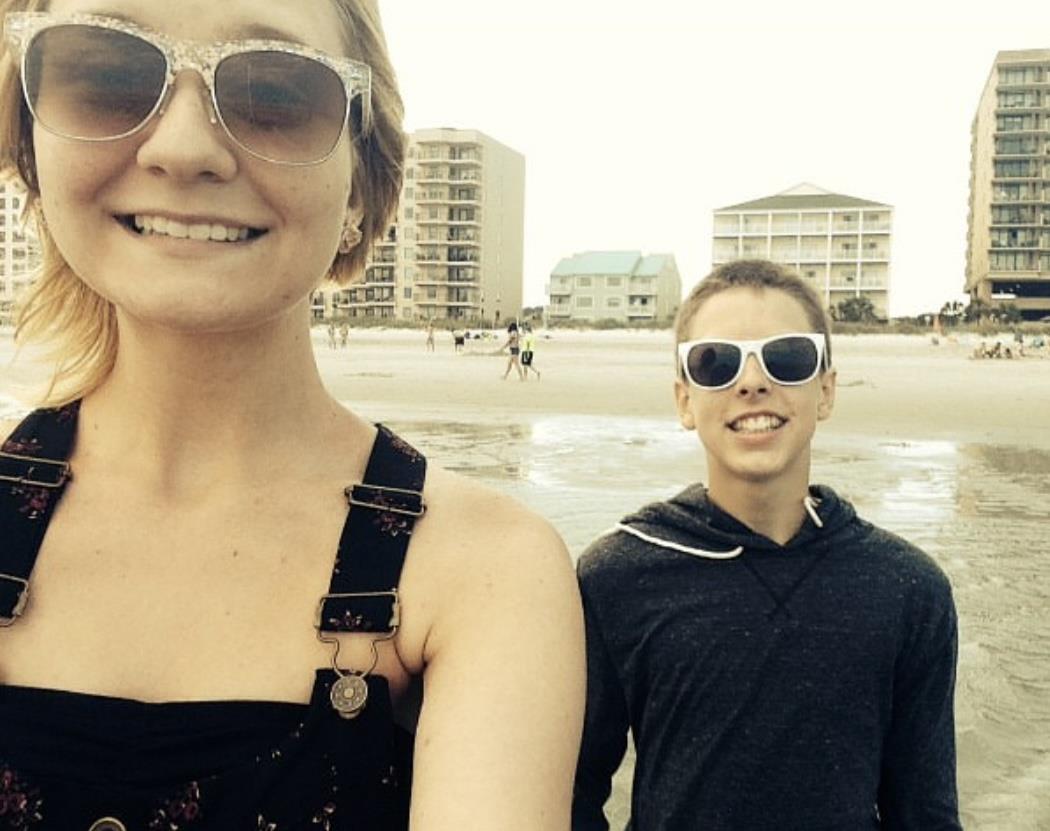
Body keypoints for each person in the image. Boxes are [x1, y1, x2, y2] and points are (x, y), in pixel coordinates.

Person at [0, 2, 584, 829]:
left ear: (364, 184)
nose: (182, 148)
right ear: (28, 146)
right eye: (107, 76)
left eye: (273, 91)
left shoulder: (481, 570)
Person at [573, 260, 961, 830]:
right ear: (684, 401)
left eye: (787, 357)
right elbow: (569, 794)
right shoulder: (617, 575)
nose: (752, 382)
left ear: (825, 390)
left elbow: (924, 813)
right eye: (716, 363)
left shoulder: (908, 589)